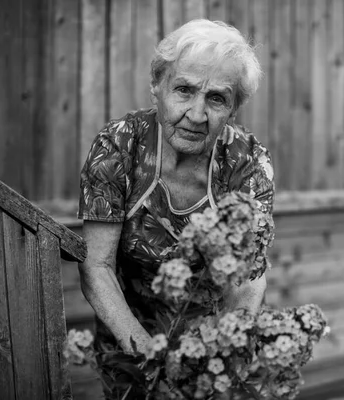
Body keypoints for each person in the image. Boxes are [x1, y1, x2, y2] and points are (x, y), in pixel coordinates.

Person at [77, 19, 274, 396]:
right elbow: (97, 267)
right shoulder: (120, 146)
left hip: (210, 348)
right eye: (184, 90)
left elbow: (248, 278)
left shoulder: (247, 162)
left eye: (216, 98)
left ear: (234, 109)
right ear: (157, 87)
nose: (197, 114)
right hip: (128, 340)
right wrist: (150, 357)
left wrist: (220, 357)